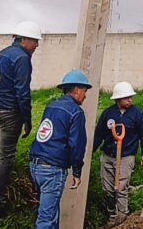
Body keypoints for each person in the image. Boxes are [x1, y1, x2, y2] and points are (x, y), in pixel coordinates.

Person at [0, 20, 41, 217]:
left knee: (1, 139)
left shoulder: (2, 53)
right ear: (24, 39)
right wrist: (27, 119)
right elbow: (22, 93)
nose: (37, 45)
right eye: (35, 41)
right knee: (6, 157)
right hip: (7, 113)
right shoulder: (22, 58)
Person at [29, 70, 91, 229]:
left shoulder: (51, 106)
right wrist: (77, 171)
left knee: (51, 213)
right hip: (52, 169)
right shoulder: (76, 112)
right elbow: (77, 145)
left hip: (35, 165)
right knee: (46, 219)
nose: (85, 96)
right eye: (84, 91)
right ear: (76, 90)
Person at [93, 81, 143, 227]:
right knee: (107, 189)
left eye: (131, 97)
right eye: (127, 97)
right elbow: (98, 135)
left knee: (121, 187)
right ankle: (112, 214)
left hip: (126, 156)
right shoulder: (108, 113)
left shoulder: (137, 114)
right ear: (118, 99)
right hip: (108, 155)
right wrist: (89, 152)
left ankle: (123, 216)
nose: (130, 100)